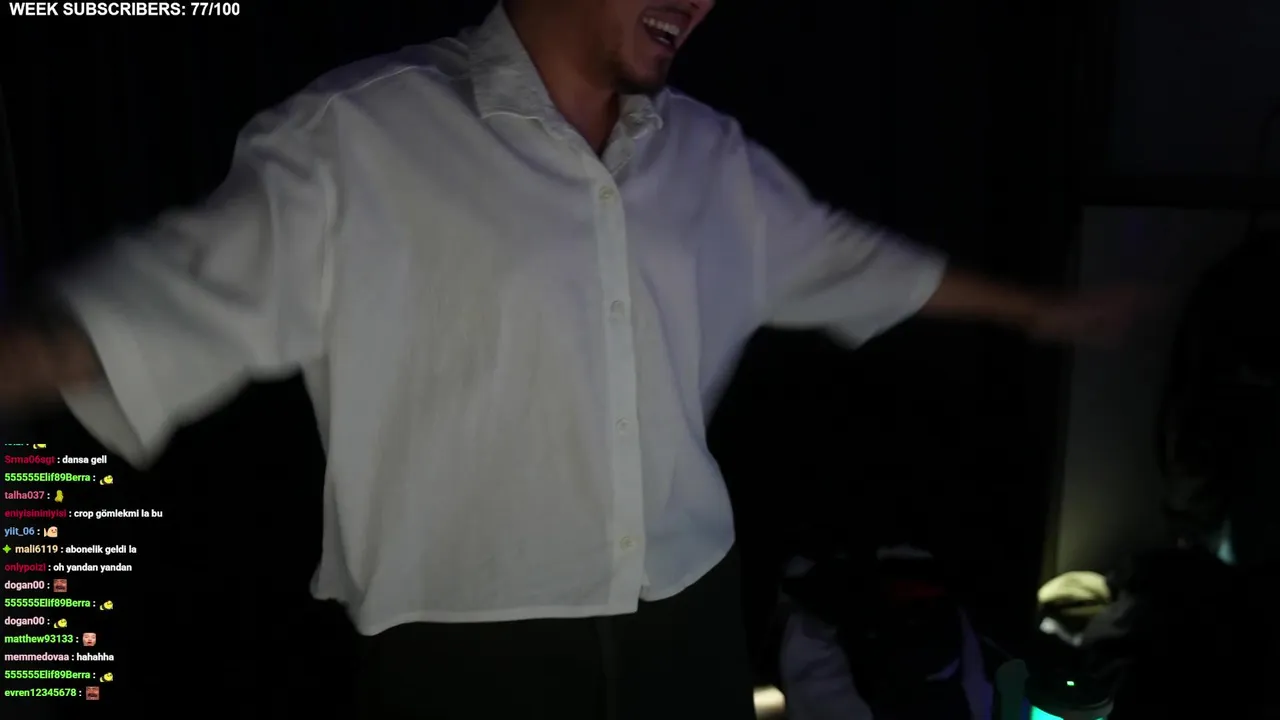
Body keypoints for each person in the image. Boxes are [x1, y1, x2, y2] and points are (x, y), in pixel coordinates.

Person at [0, 0, 1142, 717]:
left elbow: (849, 257)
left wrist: (1035, 310)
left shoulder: (710, 156)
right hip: (464, 655)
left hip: (688, 622)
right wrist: (33, 356)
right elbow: (166, 300)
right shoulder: (357, 137)